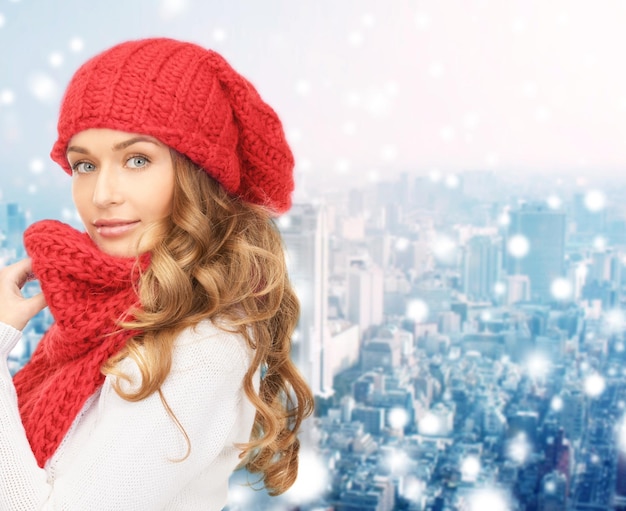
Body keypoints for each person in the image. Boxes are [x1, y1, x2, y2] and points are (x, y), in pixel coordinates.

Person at [0, 37, 314, 510]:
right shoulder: (105, 315)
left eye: (137, 160)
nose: (102, 194)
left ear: (196, 174)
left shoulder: (203, 346)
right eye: (84, 164)